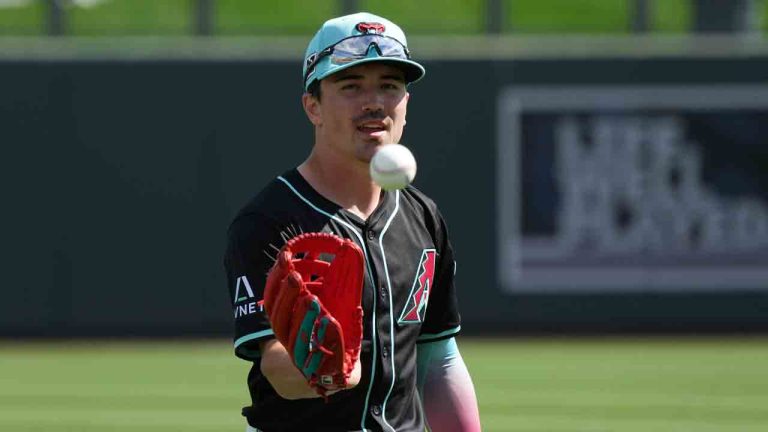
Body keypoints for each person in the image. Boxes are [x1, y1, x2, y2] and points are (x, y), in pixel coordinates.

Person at [224, 12, 481, 432]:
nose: (374, 102)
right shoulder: (269, 220)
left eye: (389, 86)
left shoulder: (423, 218)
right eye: (350, 86)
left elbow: (439, 357)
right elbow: (274, 363)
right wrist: (318, 370)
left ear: (406, 105)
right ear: (313, 106)